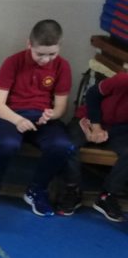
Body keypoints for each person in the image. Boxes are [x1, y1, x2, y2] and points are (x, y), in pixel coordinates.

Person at [0, 19, 74, 217]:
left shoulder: (62, 66)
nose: (46, 60)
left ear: (60, 46)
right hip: (9, 116)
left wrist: (52, 114)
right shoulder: (12, 62)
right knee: (7, 144)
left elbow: (60, 107)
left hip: (42, 119)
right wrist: (17, 120)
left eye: (52, 54)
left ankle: (36, 190)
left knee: (62, 145)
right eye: (40, 54)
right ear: (29, 44)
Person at [55, 71, 128, 222]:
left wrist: (105, 133)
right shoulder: (123, 79)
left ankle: (107, 195)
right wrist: (95, 126)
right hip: (87, 119)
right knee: (69, 145)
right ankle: (72, 189)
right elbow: (92, 94)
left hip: (117, 129)